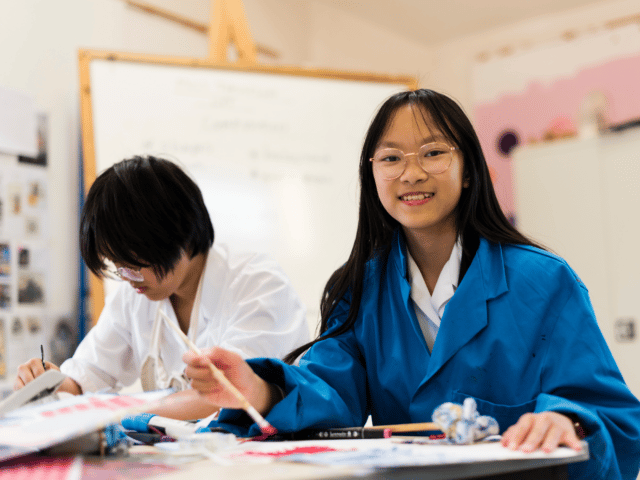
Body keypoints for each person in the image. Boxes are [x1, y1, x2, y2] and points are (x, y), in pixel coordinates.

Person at [182, 89, 640, 479]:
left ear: (469, 170)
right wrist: (254, 387)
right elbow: (328, 391)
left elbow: (616, 418)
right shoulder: (358, 288)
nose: (411, 173)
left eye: (434, 152)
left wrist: (568, 422)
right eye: (391, 158)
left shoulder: (543, 281)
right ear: (372, 174)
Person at [14, 155, 309, 420]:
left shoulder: (258, 285)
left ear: (178, 236)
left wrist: (118, 409)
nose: (126, 277)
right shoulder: (136, 295)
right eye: (115, 264)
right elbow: (87, 377)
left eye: (131, 262)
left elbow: (224, 396)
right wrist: (47, 383)